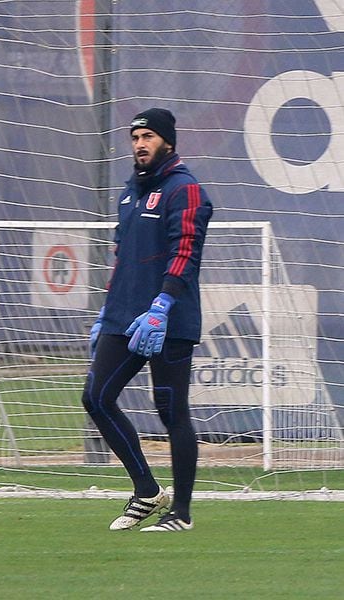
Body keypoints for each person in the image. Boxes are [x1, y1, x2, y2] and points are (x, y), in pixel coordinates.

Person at [82, 108, 213, 532]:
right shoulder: (128, 193)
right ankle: (147, 492)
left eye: (149, 136)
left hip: (168, 319)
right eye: (135, 136)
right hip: (124, 317)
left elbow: (185, 252)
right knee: (96, 398)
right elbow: (123, 256)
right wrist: (107, 310)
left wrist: (162, 306)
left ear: (168, 142)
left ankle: (183, 514)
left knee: (171, 412)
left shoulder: (185, 189)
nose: (140, 143)